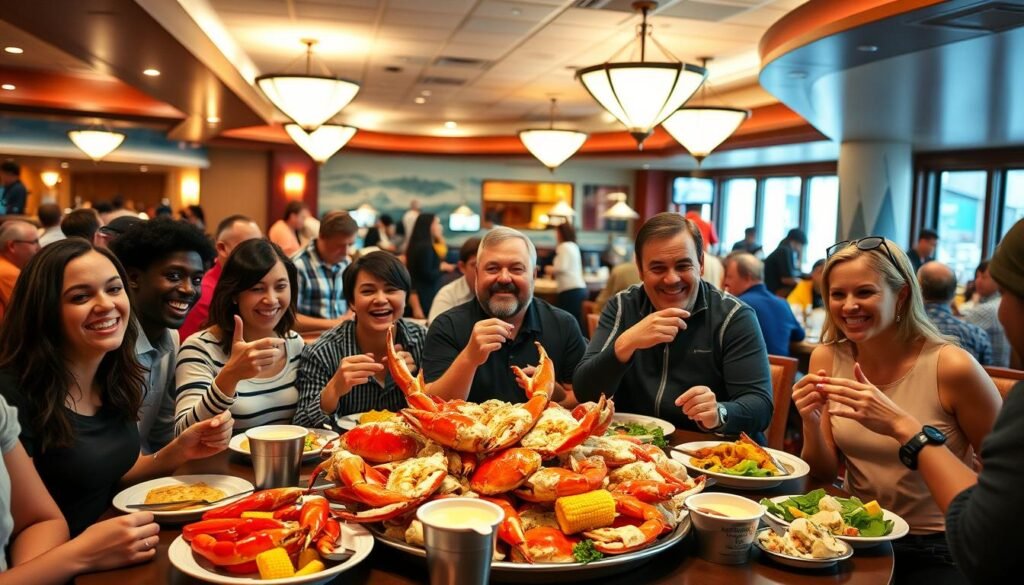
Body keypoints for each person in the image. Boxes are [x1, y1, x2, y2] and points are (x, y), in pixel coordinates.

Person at [811, 218, 1024, 585]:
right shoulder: (827, 358)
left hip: (940, 545)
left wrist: (904, 427)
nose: (848, 306)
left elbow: (1000, 484)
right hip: (855, 532)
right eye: (837, 294)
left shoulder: (951, 366)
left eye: (864, 293)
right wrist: (811, 420)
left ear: (903, 295)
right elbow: (824, 474)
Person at [0, 239, 232, 535]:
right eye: (81, 296)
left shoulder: (112, 373)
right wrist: (90, 549)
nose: (106, 304)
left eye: (113, 289)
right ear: (44, 310)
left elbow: (118, 473)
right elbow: (28, 530)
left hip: (117, 541)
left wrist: (181, 449)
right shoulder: (12, 396)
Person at [574, 213, 773, 439]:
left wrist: (720, 412)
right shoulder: (623, 306)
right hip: (634, 453)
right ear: (640, 269)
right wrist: (625, 344)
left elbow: (760, 407)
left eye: (683, 265)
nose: (671, 279)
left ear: (701, 264)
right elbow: (585, 392)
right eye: (658, 268)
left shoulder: (733, 316)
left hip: (710, 455)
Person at [0, 393, 165, 583]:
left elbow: (37, 521)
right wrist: (80, 555)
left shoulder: (2, 410)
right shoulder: (15, 392)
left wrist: (50, 568)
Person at [423, 227, 586, 403]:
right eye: (493, 269)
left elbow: (584, 397)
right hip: (467, 430)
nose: (504, 278)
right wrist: (469, 358)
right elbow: (431, 403)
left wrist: (551, 390)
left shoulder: (563, 324)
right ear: (477, 274)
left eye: (516, 269)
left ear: (533, 275)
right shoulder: (447, 326)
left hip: (544, 430)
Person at [108, 219, 215, 453]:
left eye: (196, 280)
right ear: (133, 278)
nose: (188, 289)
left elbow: (162, 433)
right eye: (174, 276)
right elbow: (111, 456)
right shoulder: (110, 345)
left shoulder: (172, 338)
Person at [175, 240, 303, 434]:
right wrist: (230, 375)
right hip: (220, 464)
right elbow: (183, 432)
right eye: (257, 289)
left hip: (285, 462)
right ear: (234, 294)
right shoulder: (200, 348)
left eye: (280, 286)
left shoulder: (294, 343)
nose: (271, 299)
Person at [294, 252, 427, 426]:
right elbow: (302, 427)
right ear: (351, 302)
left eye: (391, 290)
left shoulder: (423, 341)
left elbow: (444, 413)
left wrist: (415, 385)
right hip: (344, 451)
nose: (380, 299)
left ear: (406, 297)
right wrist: (333, 390)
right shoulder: (322, 351)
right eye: (368, 291)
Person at [179, 215, 262, 341]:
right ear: (222, 248)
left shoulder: (249, 283)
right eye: (249, 247)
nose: (258, 255)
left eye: (260, 246)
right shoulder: (206, 295)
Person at [723, 252, 805, 357]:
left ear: (748, 278)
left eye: (729, 277)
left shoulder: (736, 305)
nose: (726, 282)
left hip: (748, 371)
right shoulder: (783, 303)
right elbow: (800, 335)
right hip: (781, 372)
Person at [292, 210, 359, 333]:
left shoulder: (346, 262)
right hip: (310, 341)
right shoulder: (297, 266)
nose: (346, 252)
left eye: (351, 244)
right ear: (321, 237)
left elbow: (352, 303)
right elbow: (289, 320)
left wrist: (350, 314)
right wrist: (336, 323)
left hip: (342, 337)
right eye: (340, 245)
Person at [918, 262, 992, 366]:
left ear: (917, 290)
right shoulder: (977, 335)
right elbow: (989, 376)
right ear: (953, 294)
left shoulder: (901, 331)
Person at [961, 260, 1010, 367]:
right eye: (977, 277)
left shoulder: (988, 309)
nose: (977, 281)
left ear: (999, 280)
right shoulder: (1001, 302)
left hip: (992, 373)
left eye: (983, 277)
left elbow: (956, 330)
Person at [428, 237, 480, 323]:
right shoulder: (448, 296)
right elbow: (436, 334)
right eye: (474, 265)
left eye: (487, 266)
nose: (480, 271)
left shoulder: (498, 292)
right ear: (462, 267)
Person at [405, 213, 446, 319]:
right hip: (424, 296)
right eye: (436, 223)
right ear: (429, 225)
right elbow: (427, 275)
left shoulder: (416, 244)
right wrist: (442, 269)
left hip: (416, 294)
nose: (439, 226)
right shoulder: (426, 247)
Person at [549, 222, 586, 332]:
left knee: (565, 321)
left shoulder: (563, 246)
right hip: (579, 288)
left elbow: (561, 267)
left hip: (569, 290)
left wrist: (549, 268)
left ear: (561, 233)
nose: (555, 235)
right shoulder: (573, 245)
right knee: (576, 321)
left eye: (557, 232)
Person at [0, 220, 40, 320]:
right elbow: (27, 313)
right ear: (12, 246)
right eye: (34, 242)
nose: (39, 247)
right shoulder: (7, 272)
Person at [764, 228, 807, 297]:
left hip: (771, 289)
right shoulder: (784, 250)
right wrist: (803, 283)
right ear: (796, 242)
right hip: (773, 291)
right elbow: (786, 279)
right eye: (801, 246)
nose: (801, 249)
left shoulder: (784, 248)